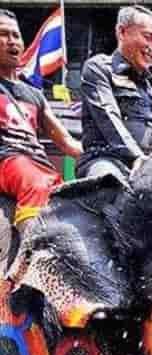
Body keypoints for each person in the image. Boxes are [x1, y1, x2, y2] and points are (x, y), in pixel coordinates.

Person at [0, 11, 81, 233]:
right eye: (3, 35)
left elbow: (66, 142)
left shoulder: (34, 94)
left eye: (15, 35)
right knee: (35, 183)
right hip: (7, 160)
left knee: (70, 196)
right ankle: (29, 259)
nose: (12, 41)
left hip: (36, 163)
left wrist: (99, 156)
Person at [77, 6, 152, 180]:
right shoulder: (99, 68)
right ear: (122, 32)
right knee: (110, 185)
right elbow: (108, 117)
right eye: (148, 37)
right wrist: (136, 157)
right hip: (106, 160)